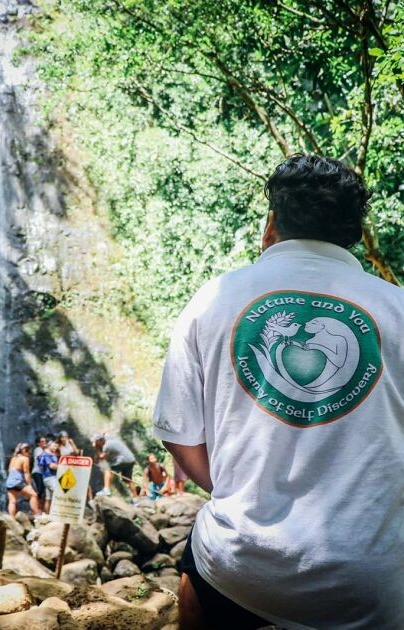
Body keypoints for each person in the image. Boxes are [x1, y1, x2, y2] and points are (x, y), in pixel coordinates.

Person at [153, 154, 404, 629]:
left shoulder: (215, 298)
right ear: (355, 235)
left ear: (271, 225)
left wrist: (232, 490)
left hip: (238, 564)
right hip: (365, 583)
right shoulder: (398, 309)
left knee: (198, 575)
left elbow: (180, 436)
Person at [92, 433, 138, 497]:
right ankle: (136, 498)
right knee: (128, 479)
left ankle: (106, 490)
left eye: (96, 442)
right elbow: (105, 433)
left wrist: (97, 448)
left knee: (108, 470)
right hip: (131, 459)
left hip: (123, 460)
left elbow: (102, 457)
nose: (95, 443)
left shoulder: (107, 445)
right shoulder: (109, 438)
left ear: (100, 440)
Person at [6, 442, 39, 517]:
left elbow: (9, 470)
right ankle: (36, 515)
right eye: (29, 451)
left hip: (9, 482)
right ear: (24, 451)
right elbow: (26, 472)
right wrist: (29, 485)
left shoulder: (13, 458)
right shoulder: (25, 458)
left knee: (12, 501)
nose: (29, 454)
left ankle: (12, 519)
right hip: (18, 482)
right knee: (33, 495)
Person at [38, 440, 59, 513]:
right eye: (54, 446)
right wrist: (63, 467)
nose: (55, 448)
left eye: (56, 446)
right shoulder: (46, 454)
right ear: (49, 446)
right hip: (50, 478)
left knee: (48, 498)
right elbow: (51, 466)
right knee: (58, 494)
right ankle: (56, 513)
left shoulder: (51, 454)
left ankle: (47, 514)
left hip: (50, 477)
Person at [31, 435, 47, 512]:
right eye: (42, 441)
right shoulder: (38, 449)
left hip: (41, 473)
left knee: (42, 491)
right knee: (39, 490)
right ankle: (36, 508)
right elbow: (40, 458)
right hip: (37, 472)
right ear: (38, 443)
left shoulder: (43, 450)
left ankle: (40, 508)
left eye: (45, 441)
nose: (44, 443)